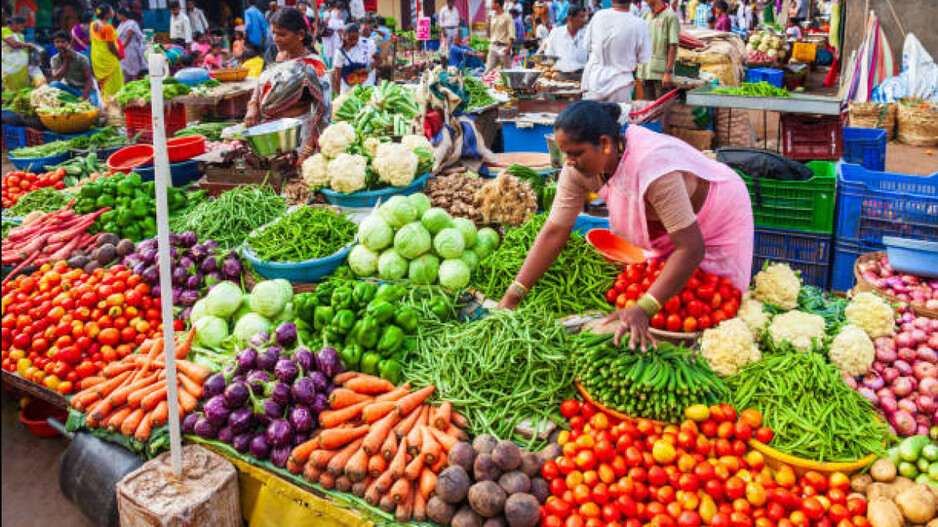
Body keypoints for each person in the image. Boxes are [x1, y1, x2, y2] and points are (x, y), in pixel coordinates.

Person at [497, 100, 753, 349]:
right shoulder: (577, 170)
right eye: (565, 154)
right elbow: (555, 231)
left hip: (717, 212)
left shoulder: (651, 165)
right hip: (667, 226)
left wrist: (645, 307)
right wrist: (513, 295)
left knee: (716, 305)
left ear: (606, 144)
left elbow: (690, 248)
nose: (569, 162)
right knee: (673, 299)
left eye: (575, 153)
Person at [245, 7, 328, 163]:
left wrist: (307, 151)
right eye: (274, 33)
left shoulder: (313, 66)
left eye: (282, 34)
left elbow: (323, 113)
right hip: (268, 133)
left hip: (298, 136)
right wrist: (253, 105)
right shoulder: (273, 52)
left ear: (301, 35)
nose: (276, 39)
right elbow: (261, 80)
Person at [581, 0, 650, 103]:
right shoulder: (639, 24)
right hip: (620, 86)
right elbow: (644, 58)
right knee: (617, 118)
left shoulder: (598, 16)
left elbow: (586, 46)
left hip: (594, 82)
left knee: (592, 118)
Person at [638, 0, 678, 100]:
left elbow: (673, 45)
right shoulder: (645, 16)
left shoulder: (670, 16)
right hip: (645, 71)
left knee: (661, 108)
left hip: (661, 73)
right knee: (648, 107)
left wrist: (668, 72)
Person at [49, 30, 97, 104]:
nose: (60, 44)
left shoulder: (82, 58)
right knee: (53, 84)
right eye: (57, 42)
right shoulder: (54, 59)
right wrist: (66, 60)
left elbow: (89, 79)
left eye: (63, 42)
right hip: (70, 89)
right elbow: (57, 77)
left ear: (69, 43)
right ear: (54, 44)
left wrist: (84, 97)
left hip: (84, 90)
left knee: (93, 104)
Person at [541, 5, 587, 76]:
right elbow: (549, 56)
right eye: (581, 17)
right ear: (571, 18)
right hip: (560, 76)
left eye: (585, 17)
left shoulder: (586, 35)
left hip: (582, 76)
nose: (585, 20)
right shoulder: (556, 33)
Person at [332, 22, 378, 94]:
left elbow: (379, 60)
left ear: (358, 36)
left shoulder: (366, 45)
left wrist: (367, 69)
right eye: (350, 39)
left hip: (366, 89)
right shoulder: (340, 52)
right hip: (348, 91)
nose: (353, 41)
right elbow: (337, 77)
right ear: (344, 37)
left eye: (355, 38)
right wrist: (338, 98)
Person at [90, 3, 124, 98]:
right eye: (112, 10)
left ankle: (105, 101)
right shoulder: (107, 27)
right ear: (107, 14)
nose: (114, 12)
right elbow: (110, 46)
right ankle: (113, 102)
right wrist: (119, 55)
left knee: (104, 83)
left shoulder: (93, 24)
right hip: (109, 59)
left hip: (98, 57)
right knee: (114, 81)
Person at [2, 15, 38, 91]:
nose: (23, 28)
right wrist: (29, 45)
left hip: (20, 72)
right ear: (15, 23)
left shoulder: (19, 35)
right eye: (22, 26)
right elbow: (14, 44)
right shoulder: (4, 30)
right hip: (8, 70)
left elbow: (22, 48)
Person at [116, 8, 145, 81]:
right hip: (123, 50)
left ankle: (135, 84)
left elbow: (129, 37)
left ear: (121, 15)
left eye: (118, 15)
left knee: (133, 70)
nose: (117, 16)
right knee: (124, 69)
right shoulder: (121, 24)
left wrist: (121, 48)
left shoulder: (131, 23)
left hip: (130, 49)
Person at [485, 0, 515, 71]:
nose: (491, 4)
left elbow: (511, 34)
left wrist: (508, 48)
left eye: (492, 2)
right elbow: (489, 33)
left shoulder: (507, 17)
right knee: (488, 70)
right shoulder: (492, 16)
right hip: (493, 46)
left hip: (504, 47)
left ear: (497, 4)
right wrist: (487, 21)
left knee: (506, 71)